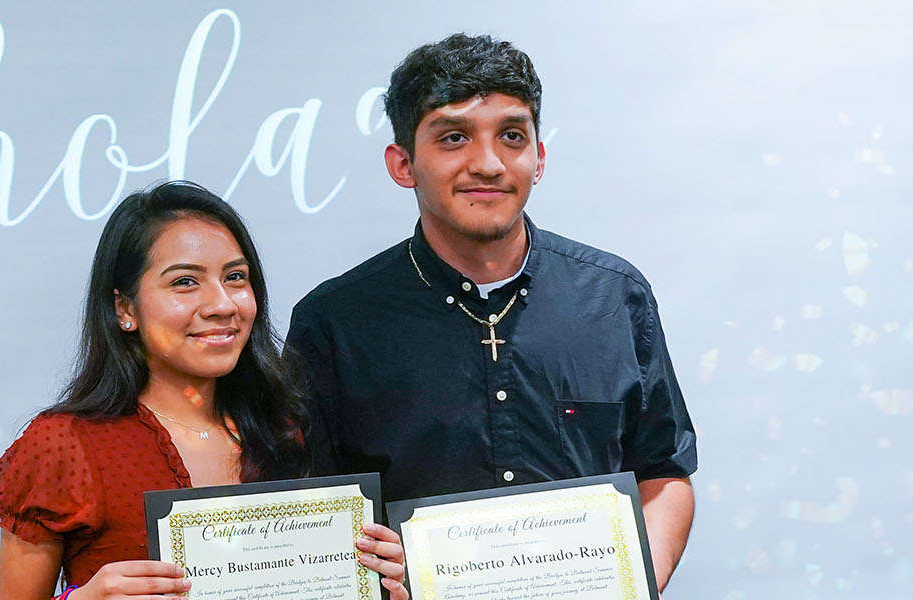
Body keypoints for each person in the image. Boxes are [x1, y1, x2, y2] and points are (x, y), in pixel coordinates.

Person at [285, 34, 697, 593]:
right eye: (453, 137)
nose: (488, 163)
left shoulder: (614, 298)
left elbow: (664, 474)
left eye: (511, 136)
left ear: (539, 156)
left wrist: (634, 582)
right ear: (403, 164)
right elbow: (306, 518)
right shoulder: (334, 323)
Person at [0, 181, 408, 600]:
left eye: (236, 277)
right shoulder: (63, 446)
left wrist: (380, 584)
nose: (222, 304)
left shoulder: (286, 425)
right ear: (124, 308)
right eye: (185, 282)